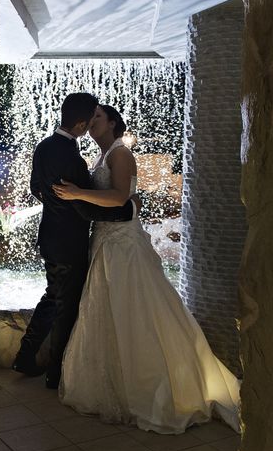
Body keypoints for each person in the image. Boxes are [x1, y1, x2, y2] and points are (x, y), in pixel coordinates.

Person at [52, 104, 241, 433]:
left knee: (134, 310)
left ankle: (154, 386)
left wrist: (78, 193)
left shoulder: (120, 153)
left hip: (123, 243)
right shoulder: (103, 155)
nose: (92, 122)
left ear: (112, 122)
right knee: (108, 310)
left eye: (98, 117)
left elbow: (121, 197)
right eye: (90, 117)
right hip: (105, 239)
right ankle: (116, 386)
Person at [12, 93, 139, 389]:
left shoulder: (44, 146)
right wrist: (127, 211)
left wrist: (55, 208)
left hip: (50, 237)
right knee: (65, 306)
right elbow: (81, 205)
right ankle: (55, 373)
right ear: (81, 124)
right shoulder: (71, 156)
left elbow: (35, 188)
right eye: (91, 117)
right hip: (69, 242)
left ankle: (25, 354)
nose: (94, 122)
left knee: (53, 296)